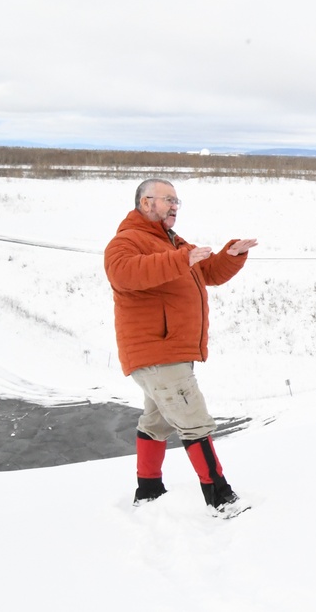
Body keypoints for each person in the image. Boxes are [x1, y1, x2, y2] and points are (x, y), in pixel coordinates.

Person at [104, 178, 258, 517]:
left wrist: (231, 255)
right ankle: (221, 500)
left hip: (168, 353)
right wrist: (180, 260)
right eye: (168, 200)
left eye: (177, 201)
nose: (175, 206)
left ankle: (148, 491)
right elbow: (125, 274)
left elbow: (206, 273)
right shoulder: (126, 242)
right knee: (194, 420)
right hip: (158, 352)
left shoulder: (172, 242)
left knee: (156, 420)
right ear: (146, 203)